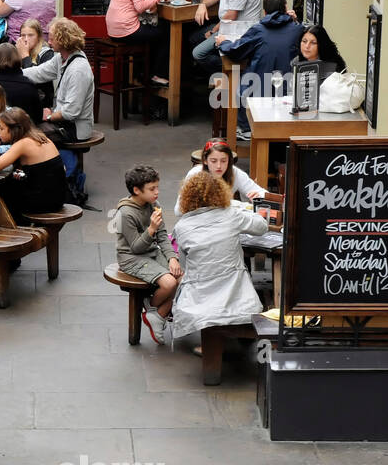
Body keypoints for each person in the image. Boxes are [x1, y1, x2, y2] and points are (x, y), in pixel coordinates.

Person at [170, 171, 269, 342]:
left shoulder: (181, 227)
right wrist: (256, 212)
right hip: (236, 293)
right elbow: (261, 227)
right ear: (220, 193)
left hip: (199, 297)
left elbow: (186, 267)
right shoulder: (231, 215)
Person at [20, 17, 94, 199]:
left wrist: (49, 116)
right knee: (28, 130)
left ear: (63, 40)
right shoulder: (61, 58)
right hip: (64, 122)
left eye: (52, 38)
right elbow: (39, 72)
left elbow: (71, 112)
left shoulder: (78, 69)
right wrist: (14, 74)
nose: (49, 41)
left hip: (75, 128)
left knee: (30, 135)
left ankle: (46, 182)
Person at [218, 0, 304, 139]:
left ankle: (245, 128)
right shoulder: (297, 30)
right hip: (288, 92)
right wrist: (296, 21)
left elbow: (235, 51)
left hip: (256, 94)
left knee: (239, 86)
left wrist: (223, 42)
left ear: (264, 12)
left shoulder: (258, 30)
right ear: (286, 8)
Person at [111, 165, 182, 340]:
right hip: (132, 258)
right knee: (169, 284)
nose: (157, 192)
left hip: (151, 252)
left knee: (180, 277)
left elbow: (163, 235)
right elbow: (136, 247)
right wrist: (151, 229)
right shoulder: (125, 213)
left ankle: (156, 315)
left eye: (157, 187)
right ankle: (151, 307)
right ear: (136, 190)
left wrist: (172, 257)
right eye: (152, 189)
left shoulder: (153, 204)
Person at [106, 0, 172, 87]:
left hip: (113, 27)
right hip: (126, 29)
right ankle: (157, 75)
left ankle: (140, 75)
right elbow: (140, 6)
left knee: (151, 33)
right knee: (165, 33)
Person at [0, 107, 67, 219]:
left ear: (14, 129)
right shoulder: (40, 137)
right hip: (57, 197)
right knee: (7, 185)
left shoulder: (24, 143)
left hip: (44, 203)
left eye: (1, 128)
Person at [174, 139, 264, 216]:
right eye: (213, 161)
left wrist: (258, 197)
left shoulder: (234, 172)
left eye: (223, 161)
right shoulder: (195, 174)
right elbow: (178, 210)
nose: (219, 166)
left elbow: (262, 193)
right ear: (205, 160)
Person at [17, 19, 57, 113]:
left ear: (38, 37)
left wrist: (25, 56)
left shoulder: (47, 53)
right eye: (23, 35)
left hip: (41, 103)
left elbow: (34, 78)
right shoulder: (17, 50)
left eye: (30, 35)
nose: (26, 39)